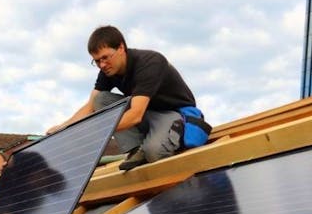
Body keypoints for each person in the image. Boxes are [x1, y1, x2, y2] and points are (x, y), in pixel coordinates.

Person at [47, 25, 205, 171]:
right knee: (100, 99)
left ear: (121, 48)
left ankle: (173, 134)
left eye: (105, 57)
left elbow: (135, 115)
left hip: (173, 113)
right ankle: (136, 150)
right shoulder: (107, 71)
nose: (102, 65)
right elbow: (90, 105)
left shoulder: (149, 63)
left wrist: (97, 131)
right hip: (147, 113)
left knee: (153, 153)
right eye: (97, 61)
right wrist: (64, 127)